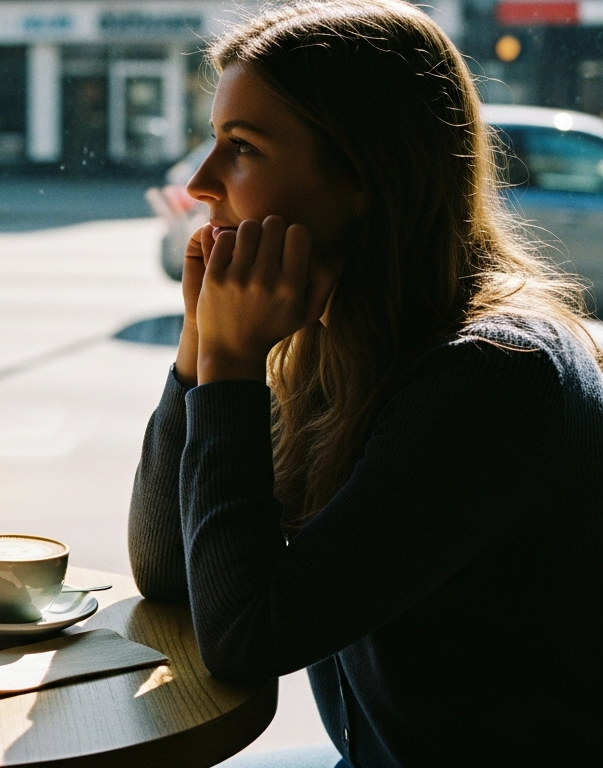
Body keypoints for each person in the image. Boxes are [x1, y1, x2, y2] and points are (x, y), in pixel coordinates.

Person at [127, 1, 602, 765]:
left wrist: (231, 367)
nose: (204, 185)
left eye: (241, 148)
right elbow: (167, 570)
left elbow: (246, 639)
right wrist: (198, 344)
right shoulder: (345, 342)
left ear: (364, 174)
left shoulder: (496, 374)